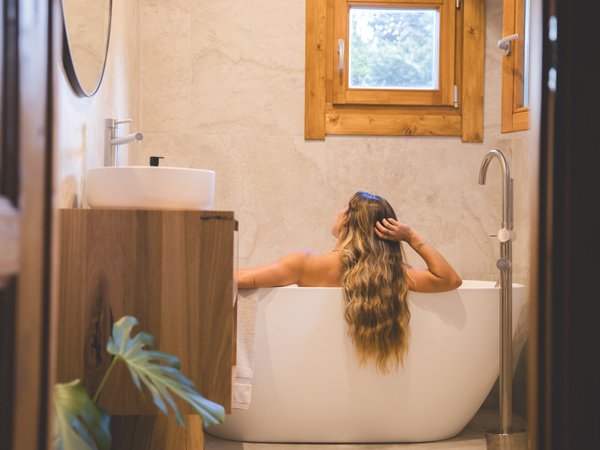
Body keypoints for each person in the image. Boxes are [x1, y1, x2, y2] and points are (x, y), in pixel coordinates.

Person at [237, 191, 462, 373]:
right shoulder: (393, 275)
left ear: (347, 220)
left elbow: (239, 278)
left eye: (343, 207)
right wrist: (411, 235)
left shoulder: (305, 263)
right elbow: (449, 279)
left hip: (312, 372)